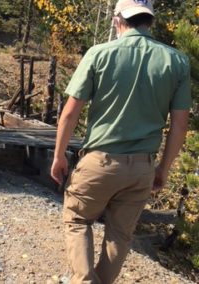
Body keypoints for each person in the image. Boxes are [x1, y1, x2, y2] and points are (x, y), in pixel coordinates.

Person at [51, 0, 192, 283]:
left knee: (77, 220)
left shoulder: (99, 54)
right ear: (149, 22)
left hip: (100, 162)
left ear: (117, 20)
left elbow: (69, 114)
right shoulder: (176, 61)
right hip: (141, 168)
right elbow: (180, 126)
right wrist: (162, 169)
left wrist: (58, 156)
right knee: (120, 235)